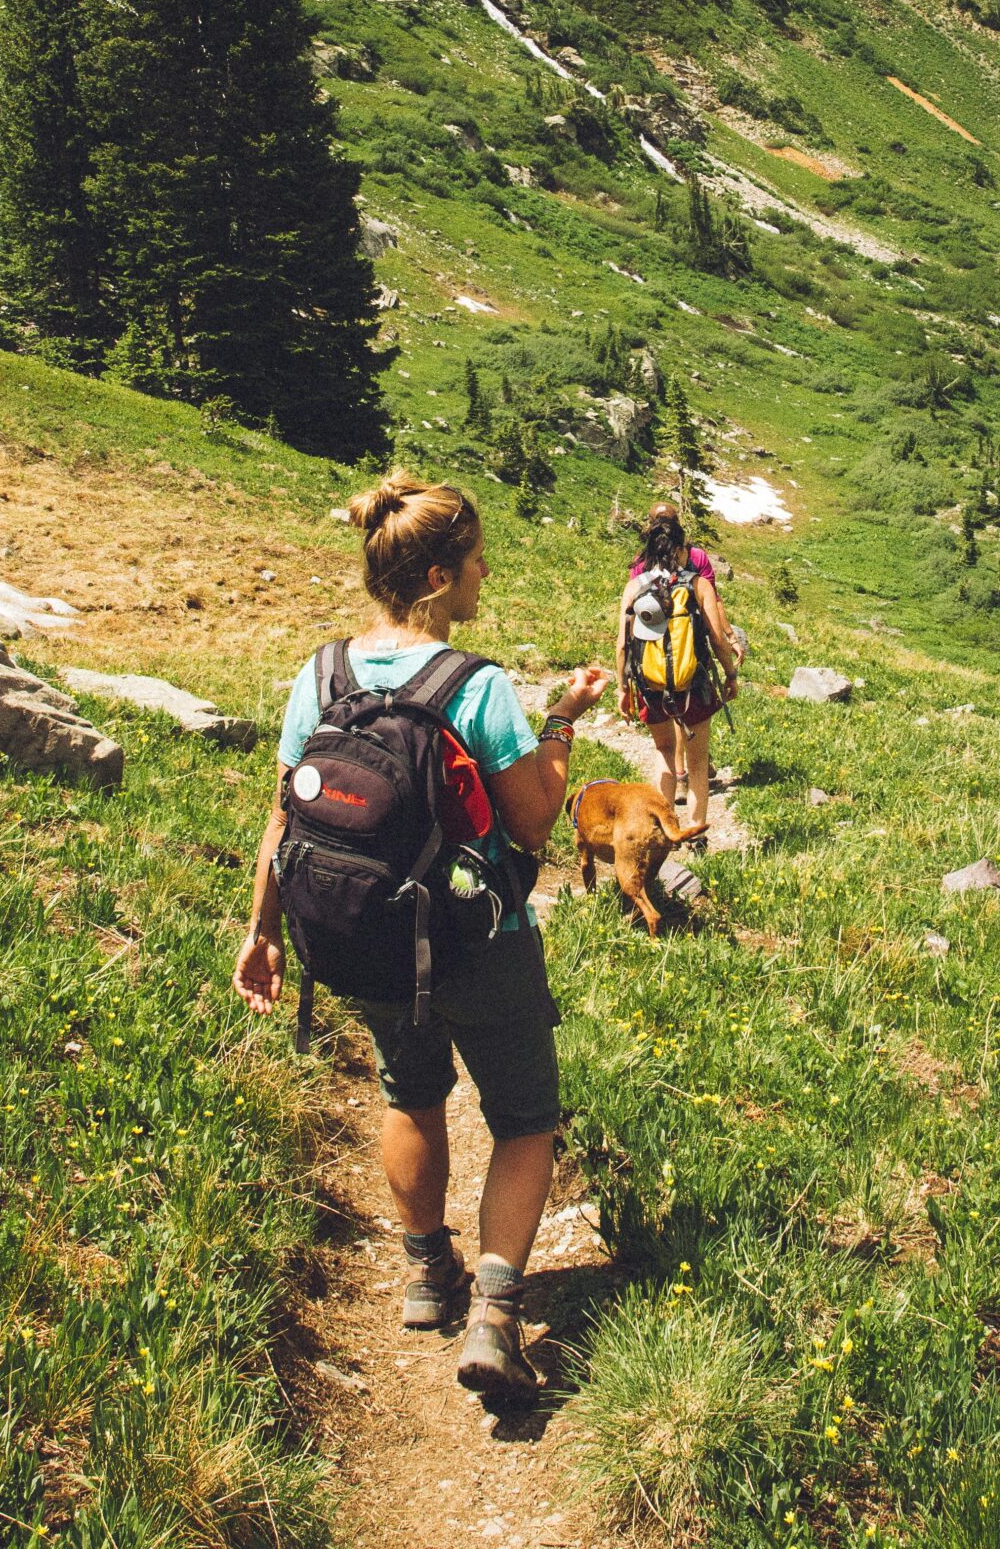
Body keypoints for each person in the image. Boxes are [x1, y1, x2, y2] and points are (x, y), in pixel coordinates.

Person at [233, 472, 606, 1402]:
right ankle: (493, 1312)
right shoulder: (473, 686)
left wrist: (261, 932)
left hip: (359, 936)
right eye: (476, 560)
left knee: (410, 1092)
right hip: (478, 940)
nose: (486, 575)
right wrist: (561, 721)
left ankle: (422, 1271)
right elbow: (530, 823)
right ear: (439, 576)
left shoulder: (320, 674)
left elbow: (286, 812)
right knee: (524, 1120)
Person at [615, 502, 740, 833]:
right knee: (698, 763)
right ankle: (696, 832)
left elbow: (623, 645)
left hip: (650, 685)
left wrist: (622, 689)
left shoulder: (634, 586)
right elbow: (717, 640)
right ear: (682, 548)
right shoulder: (698, 584)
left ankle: (663, 831)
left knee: (664, 752)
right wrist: (730, 675)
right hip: (693, 683)